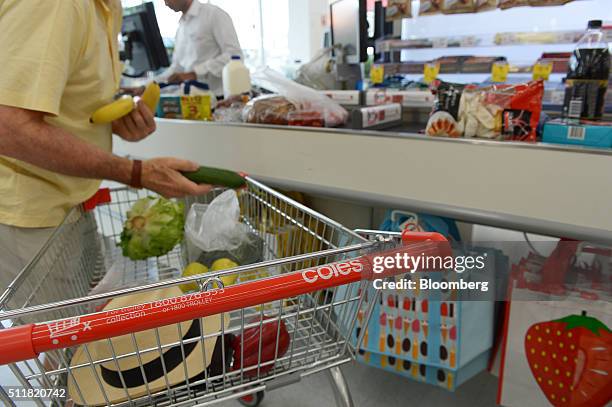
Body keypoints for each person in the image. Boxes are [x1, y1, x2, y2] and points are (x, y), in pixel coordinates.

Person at [0, 0, 212, 293]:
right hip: (29, 215)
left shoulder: (105, 8)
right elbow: (9, 127)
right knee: (58, 335)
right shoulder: (54, 5)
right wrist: (134, 172)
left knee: (79, 325)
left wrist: (111, 119)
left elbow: (60, 99)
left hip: (67, 206)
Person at [161, 0, 243, 97]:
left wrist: (195, 74)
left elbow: (234, 56)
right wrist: (149, 85)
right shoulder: (181, 26)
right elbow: (177, 67)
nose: (166, 3)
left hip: (217, 99)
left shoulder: (213, 14)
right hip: (190, 100)